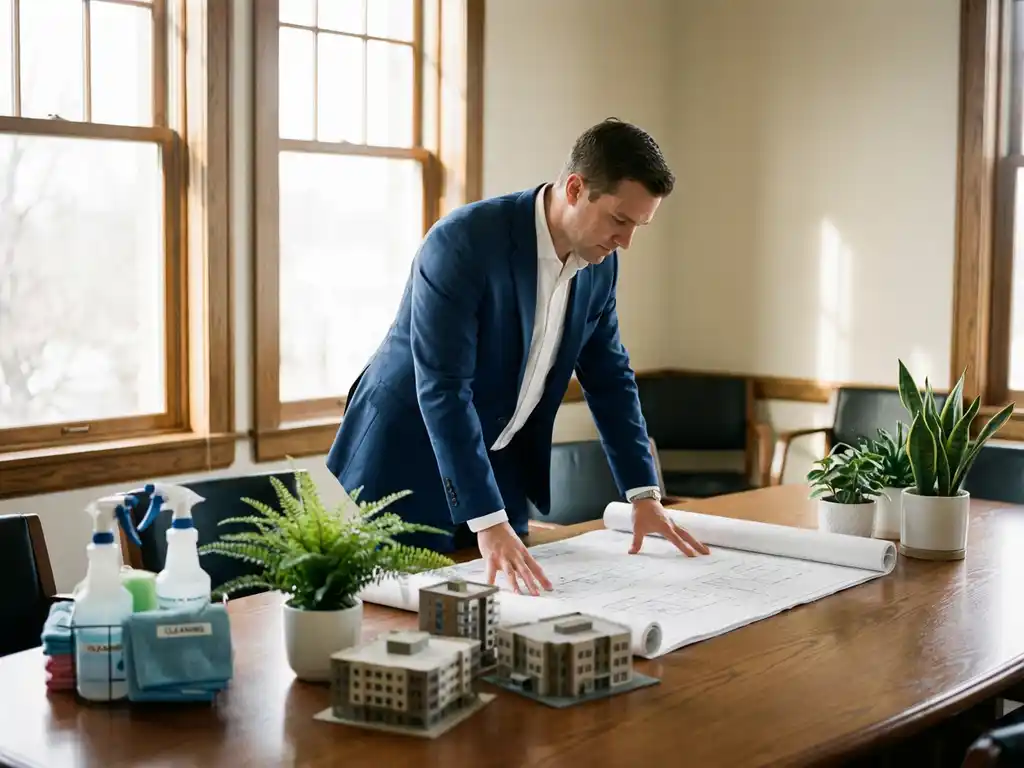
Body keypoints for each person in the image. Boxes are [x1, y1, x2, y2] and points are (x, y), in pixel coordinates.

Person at [326, 118, 710, 596]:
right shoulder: (463, 242)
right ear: (575, 188)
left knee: (515, 610)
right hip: (402, 461)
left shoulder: (599, 267)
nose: (625, 241)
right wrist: (487, 521)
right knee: (402, 626)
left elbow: (610, 378)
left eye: (638, 226)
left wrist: (644, 495)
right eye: (619, 220)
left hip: (496, 466)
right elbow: (443, 388)